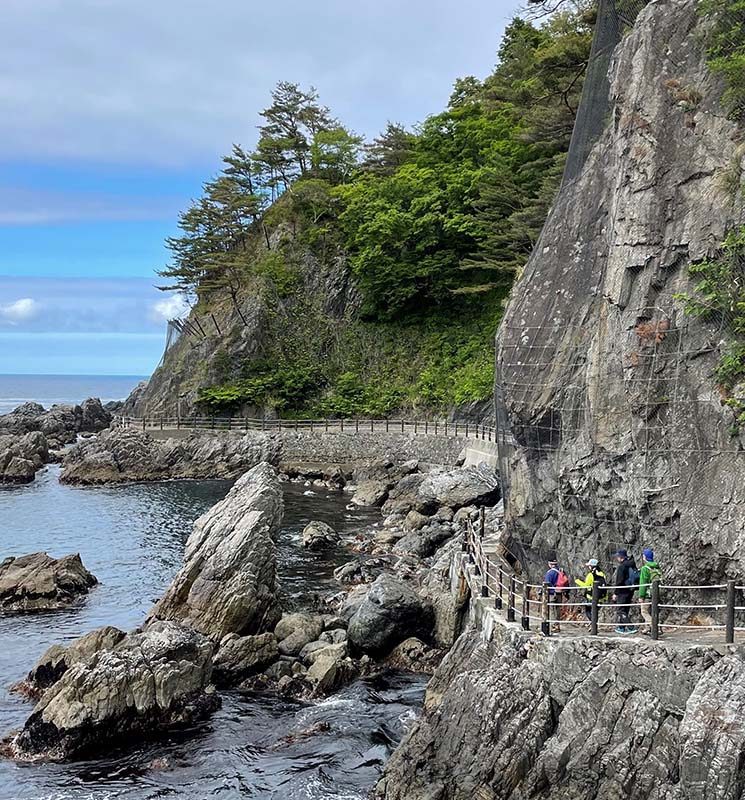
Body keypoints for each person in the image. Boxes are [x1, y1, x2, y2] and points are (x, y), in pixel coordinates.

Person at [612, 549, 638, 634]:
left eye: (617, 557)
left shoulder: (622, 566)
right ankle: (621, 627)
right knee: (625, 609)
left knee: (620, 610)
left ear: (620, 557)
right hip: (630, 590)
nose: (617, 558)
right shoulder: (631, 564)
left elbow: (619, 581)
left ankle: (631, 627)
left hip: (623, 591)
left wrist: (616, 593)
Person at [638, 548, 662, 635]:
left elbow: (643, 583)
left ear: (645, 557)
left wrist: (641, 596)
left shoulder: (645, 568)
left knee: (644, 611)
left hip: (648, 594)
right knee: (652, 611)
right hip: (656, 592)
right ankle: (647, 628)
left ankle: (655, 627)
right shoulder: (657, 567)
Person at [575, 558, 607, 623]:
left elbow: (586, 585)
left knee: (588, 611)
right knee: (595, 612)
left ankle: (593, 625)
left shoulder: (590, 575)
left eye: (589, 566)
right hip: (601, 598)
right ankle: (594, 625)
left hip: (591, 597)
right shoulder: (602, 574)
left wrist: (577, 581)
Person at [543, 558, 568, 632]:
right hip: (559, 593)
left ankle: (554, 626)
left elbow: (547, 583)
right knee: (557, 610)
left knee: (552, 609)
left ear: (549, 564)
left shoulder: (549, 573)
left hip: (551, 593)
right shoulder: (561, 571)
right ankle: (557, 624)